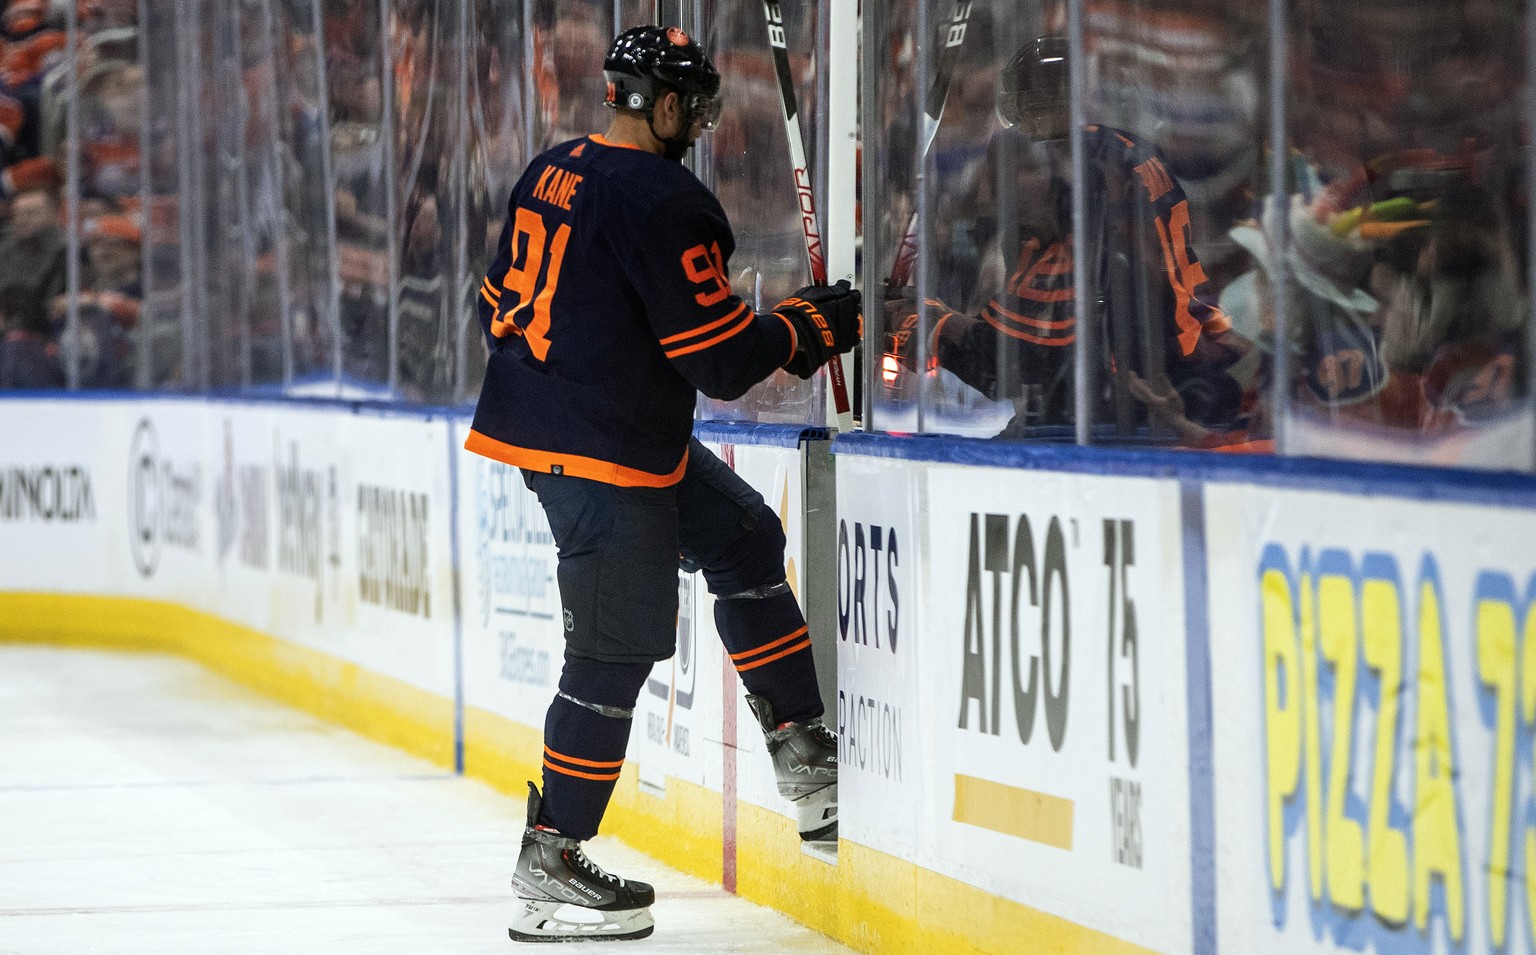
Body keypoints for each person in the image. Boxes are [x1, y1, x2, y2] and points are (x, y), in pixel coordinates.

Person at [464, 25, 860, 943]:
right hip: (603, 458)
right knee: (613, 650)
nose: (702, 122)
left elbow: (496, 302)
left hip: (580, 438)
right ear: (667, 104)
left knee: (744, 537)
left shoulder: (550, 168)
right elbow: (719, 361)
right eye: (695, 104)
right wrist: (803, 327)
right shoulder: (664, 199)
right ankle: (553, 856)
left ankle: (802, 754)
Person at [885, 35, 1248, 439]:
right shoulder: (1128, 150)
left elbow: (1023, 356)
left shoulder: (1085, 177)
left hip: (1140, 405)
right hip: (1171, 384)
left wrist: (929, 324)